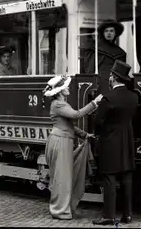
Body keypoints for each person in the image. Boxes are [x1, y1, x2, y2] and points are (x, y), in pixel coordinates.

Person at [43, 75, 103, 220]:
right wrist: (94, 103)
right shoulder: (58, 104)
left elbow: (69, 126)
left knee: (64, 177)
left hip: (62, 140)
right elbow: (77, 115)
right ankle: (59, 210)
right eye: (66, 87)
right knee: (62, 178)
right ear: (60, 91)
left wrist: (84, 135)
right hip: (60, 142)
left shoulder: (61, 103)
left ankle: (64, 208)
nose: (68, 88)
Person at [92, 60, 138, 226]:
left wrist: (99, 133)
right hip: (127, 142)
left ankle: (109, 216)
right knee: (126, 178)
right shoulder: (134, 97)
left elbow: (98, 121)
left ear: (113, 77)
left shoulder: (108, 98)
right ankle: (128, 215)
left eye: (111, 75)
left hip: (110, 142)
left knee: (110, 179)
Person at [84, 19, 127, 95]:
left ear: (115, 33)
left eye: (111, 31)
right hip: (100, 84)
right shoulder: (95, 49)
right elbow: (90, 69)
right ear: (103, 33)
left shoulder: (120, 52)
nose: (109, 33)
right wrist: (92, 86)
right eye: (106, 31)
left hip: (115, 84)